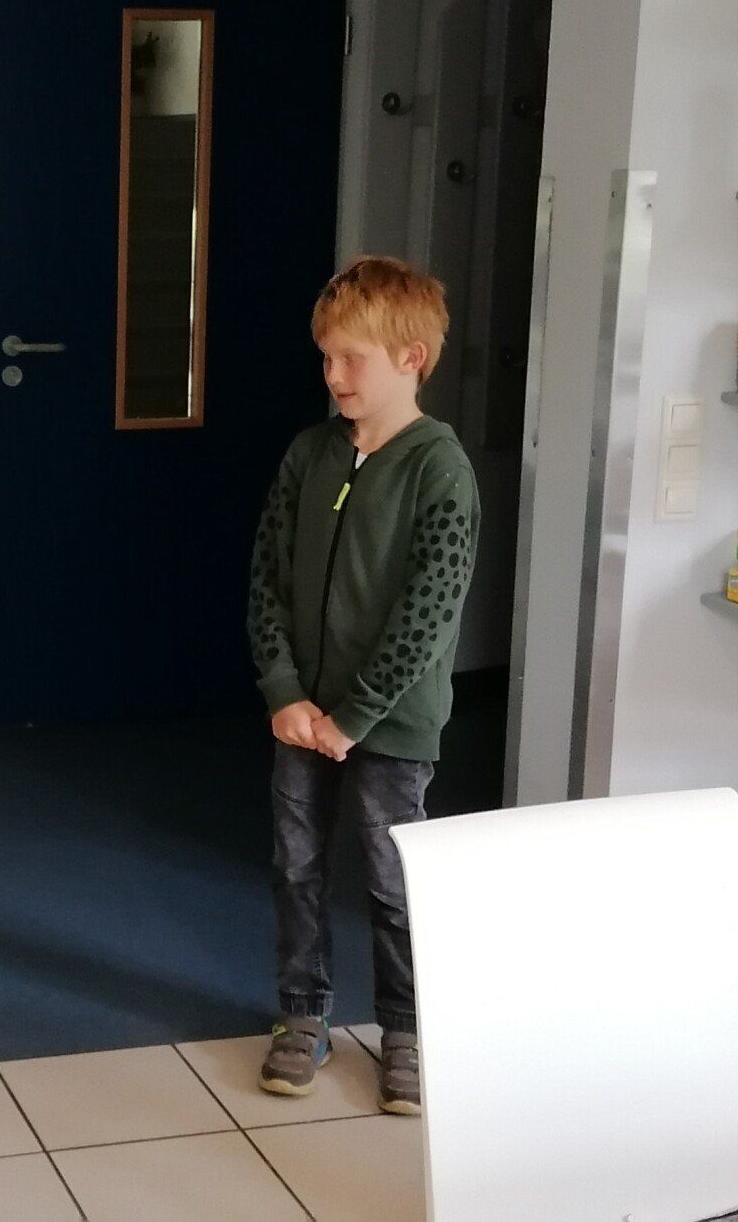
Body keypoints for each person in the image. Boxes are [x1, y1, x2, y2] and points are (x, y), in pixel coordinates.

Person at [246, 256, 480, 1118]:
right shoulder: (309, 455)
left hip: (388, 724)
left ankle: (406, 1029)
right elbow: (267, 580)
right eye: (327, 357)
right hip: (302, 718)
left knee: (391, 879)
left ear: (411, 358)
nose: (333, 375)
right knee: (297, 865)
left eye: (353, 358)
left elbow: (429, 611)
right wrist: (284, 691)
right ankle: (302, 1013)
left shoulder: (440, 470)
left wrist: (354, 716)